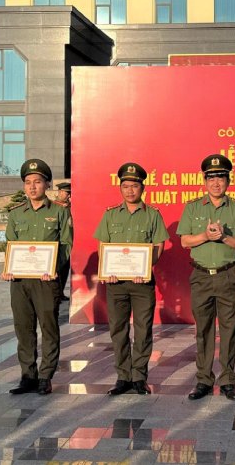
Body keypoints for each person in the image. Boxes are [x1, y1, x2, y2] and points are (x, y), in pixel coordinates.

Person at [177, 154, 235, 401]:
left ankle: (228, 380)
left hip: (228, 275)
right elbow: (184, 241)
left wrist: (223, 238)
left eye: (221, 177)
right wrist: (205, 236)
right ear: (204, 180)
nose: (216, 183)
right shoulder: (193, 207)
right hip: (200, 276)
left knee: (230, 330)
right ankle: (203, 380)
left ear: (228, 180)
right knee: (204, 330)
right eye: (211, 178)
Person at [94, 162, 169, 396]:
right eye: (125, 186)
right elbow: (102, 246)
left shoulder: (153, 215)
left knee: (143, 329)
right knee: (118, 329)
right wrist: (108, 268)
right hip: (116, 283)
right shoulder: (110, 215)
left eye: (134, 186)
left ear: (142, 188)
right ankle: (123, 376)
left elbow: (159, 245)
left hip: (142, 283)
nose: (129, 190)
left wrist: (146, 267)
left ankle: (139, 376)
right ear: (120, 188)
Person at [3, 159, 72, 396]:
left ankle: (46, 375)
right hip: (20, 281)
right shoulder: (15, 214)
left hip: (46, 279)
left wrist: (54, 267)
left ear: (47, 184)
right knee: (23, 329)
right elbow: (10, 244)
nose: (32, 187)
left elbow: (66, 244)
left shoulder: (59, 212)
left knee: (49, 327)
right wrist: (8, 266)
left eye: (37, 182)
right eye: (28, 183)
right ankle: (27, 375)